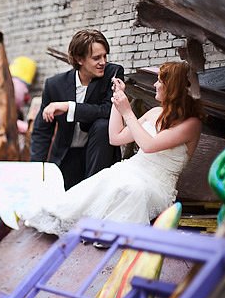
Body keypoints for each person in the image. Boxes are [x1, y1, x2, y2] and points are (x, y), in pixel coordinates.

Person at [22, 61, 204, 238]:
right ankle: (61, 220)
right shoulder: (155, 113)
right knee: (103, 182)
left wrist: (127, 112)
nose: (155, 85)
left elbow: (149, 146)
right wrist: (118, 100)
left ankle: (109, 235)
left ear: (172, 88)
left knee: (132, 189)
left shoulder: (191, 124)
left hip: (156, 185)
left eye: (160, 81)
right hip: (130, 170)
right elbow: (115, 137)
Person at [30, 30, 124, 189]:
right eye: (96, 58)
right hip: (67, 156)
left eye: (105, 56)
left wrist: (69, 107)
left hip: (98, 155)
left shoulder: (112, 74)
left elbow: (108, 110)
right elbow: (42, 131)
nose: (103, 62)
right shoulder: (55, 85)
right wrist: (37, 169)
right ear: (79, 59)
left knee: (102, 124)